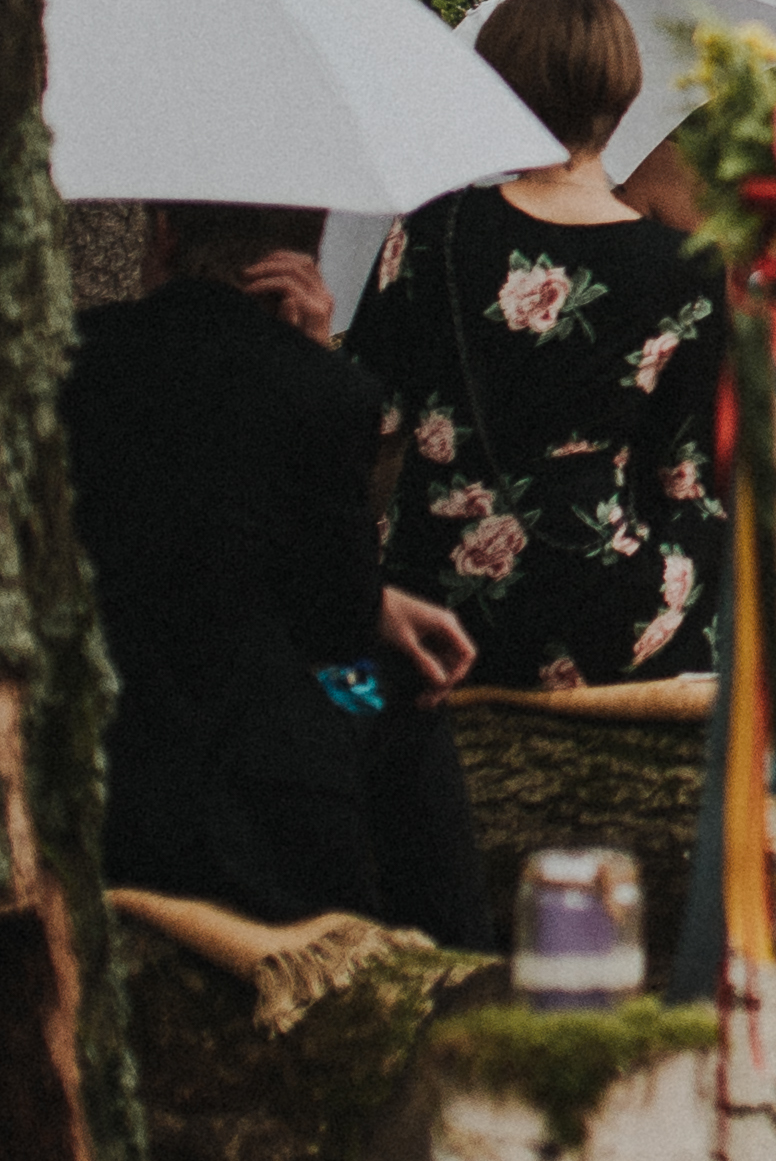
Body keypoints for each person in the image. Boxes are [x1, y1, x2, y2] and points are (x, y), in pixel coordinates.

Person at [66, 202, 490, 940]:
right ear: (311, 249)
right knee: (400, 694)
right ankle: (461, 955)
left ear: (164, 232)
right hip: (259, 765)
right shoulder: (326, 391)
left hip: (95, 738)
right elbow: (333, 625)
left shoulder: (67, 359)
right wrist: (313, 360)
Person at [347, 0, 723, 682]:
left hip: (440, 603)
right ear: (625, 95)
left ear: (497, 89)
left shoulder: (432, 232)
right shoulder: (680, 268)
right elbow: (686, 477)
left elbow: (371, 420)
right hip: (612, 613)